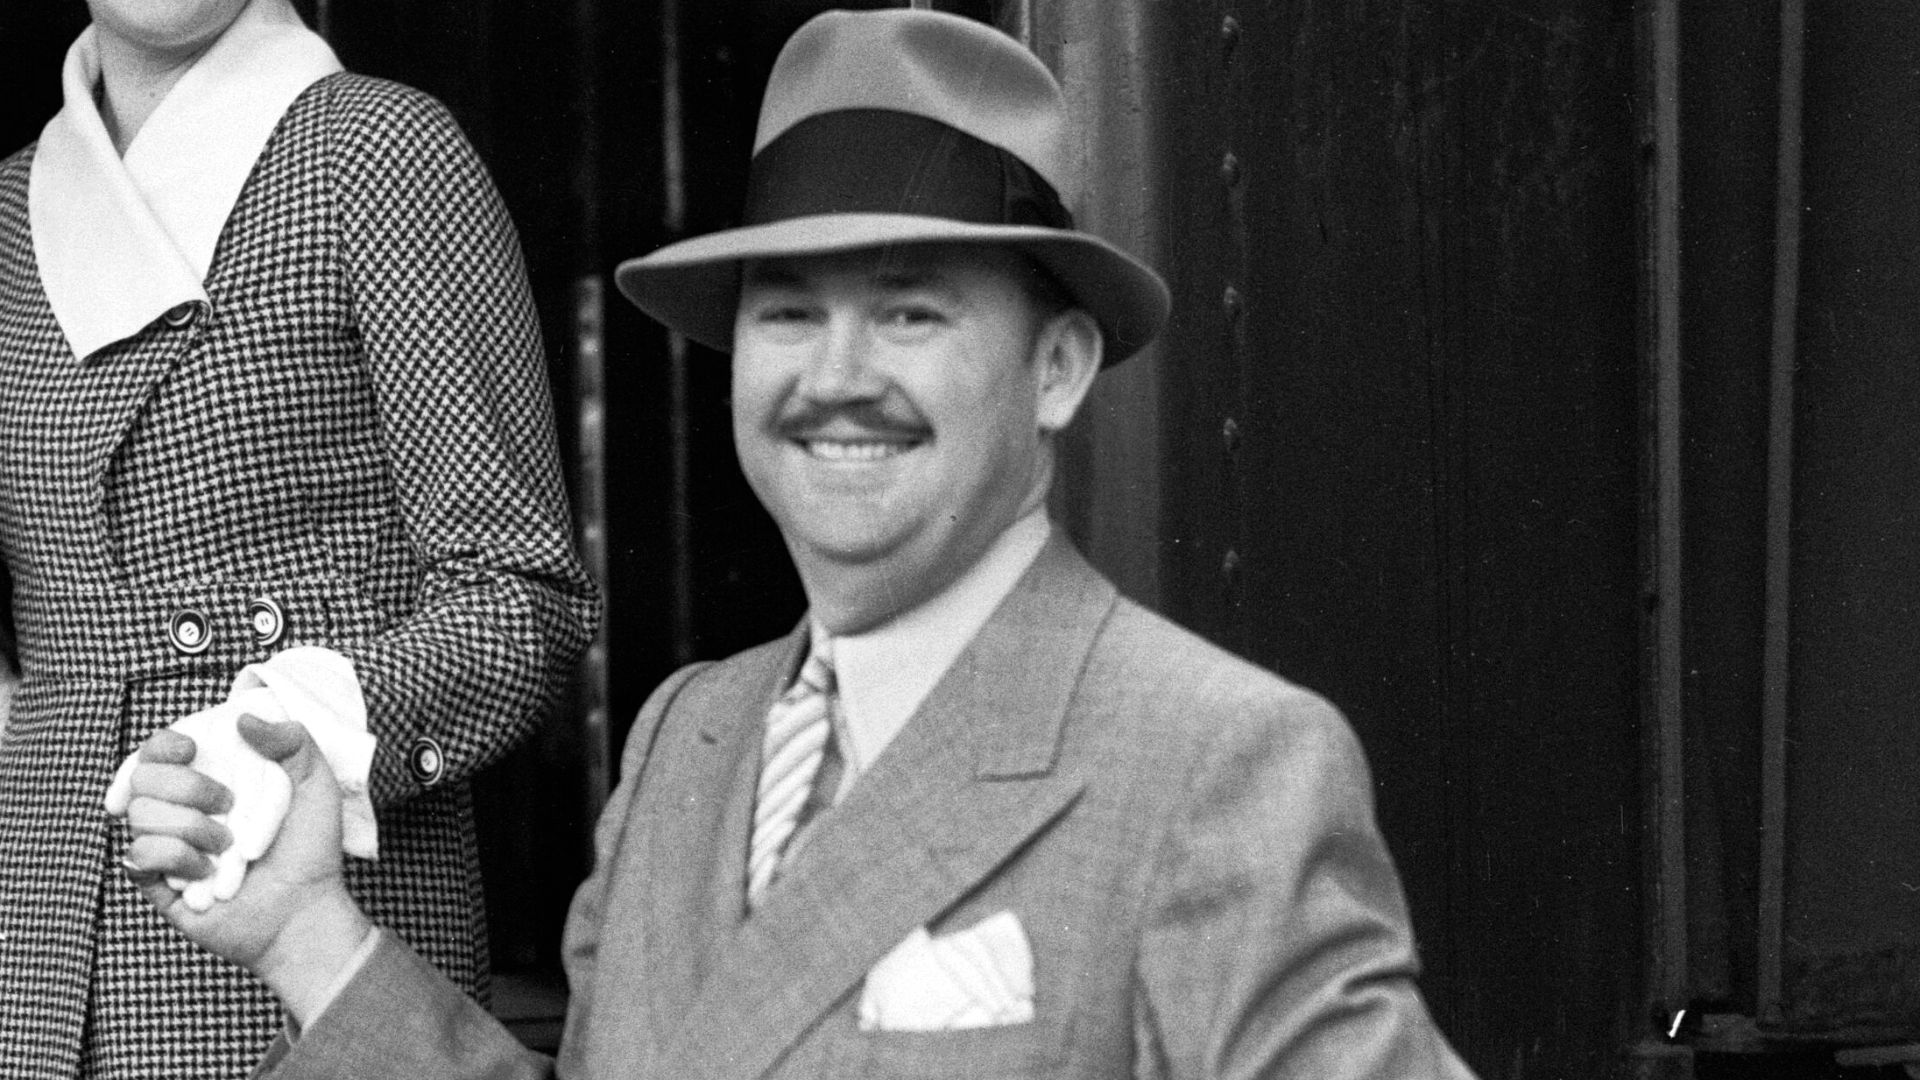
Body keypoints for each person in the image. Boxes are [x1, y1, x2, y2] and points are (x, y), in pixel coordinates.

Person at [120, 10, 1475, 1079]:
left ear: (1059, 368)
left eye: (910, 312)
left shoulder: (1219, 762)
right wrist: (305, 934)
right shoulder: (688, 740)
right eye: (787, 312)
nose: (835, 377)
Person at [0, 0, 599, 1077]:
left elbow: (522, 596)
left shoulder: (379, 150)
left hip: (303, 918)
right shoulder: (8, 209)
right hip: (30, 943)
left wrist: (300, 727)